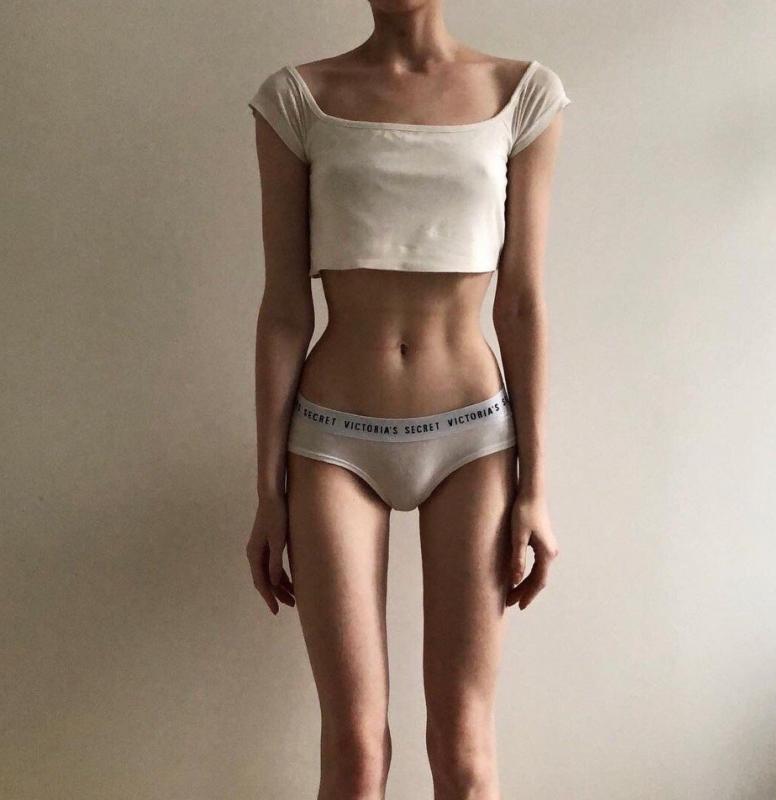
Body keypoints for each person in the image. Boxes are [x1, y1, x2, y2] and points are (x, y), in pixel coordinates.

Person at [245, 2, 571, 798]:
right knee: (356, 752)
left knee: (463, 748)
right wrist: (267, 491)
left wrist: (536, 487)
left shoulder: (521, 93)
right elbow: (284, 307)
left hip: (472, 440)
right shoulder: (297, 99)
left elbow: (521, 303)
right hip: (333, 440)